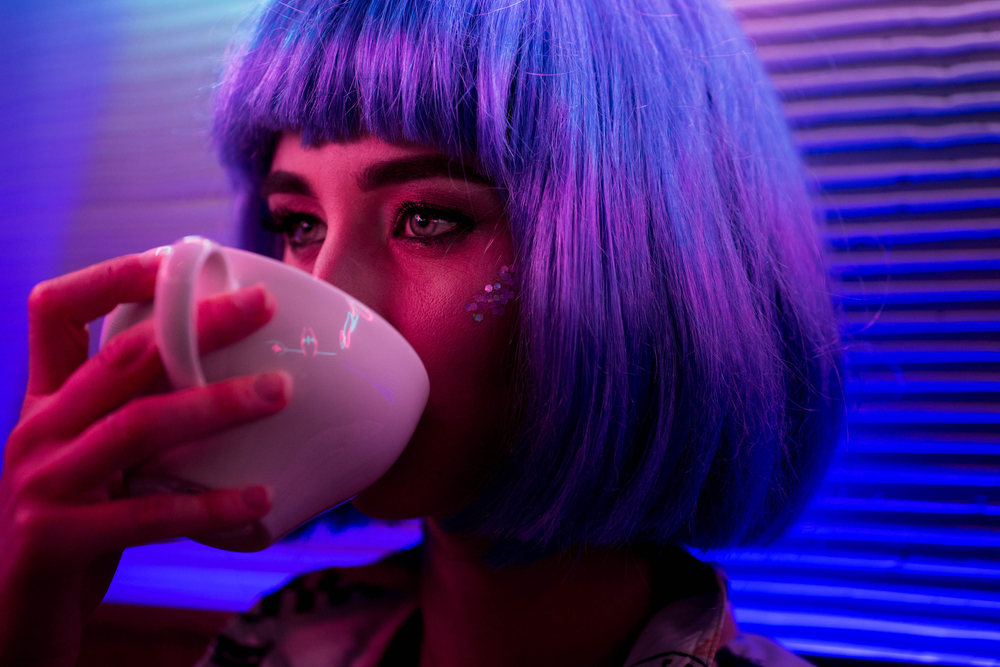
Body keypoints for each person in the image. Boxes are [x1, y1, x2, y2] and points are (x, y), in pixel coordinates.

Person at [0, 0, 844, 665]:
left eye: (427, 217)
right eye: (296, 221)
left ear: (648, 263)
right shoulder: (272, 645)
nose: (324, 294)